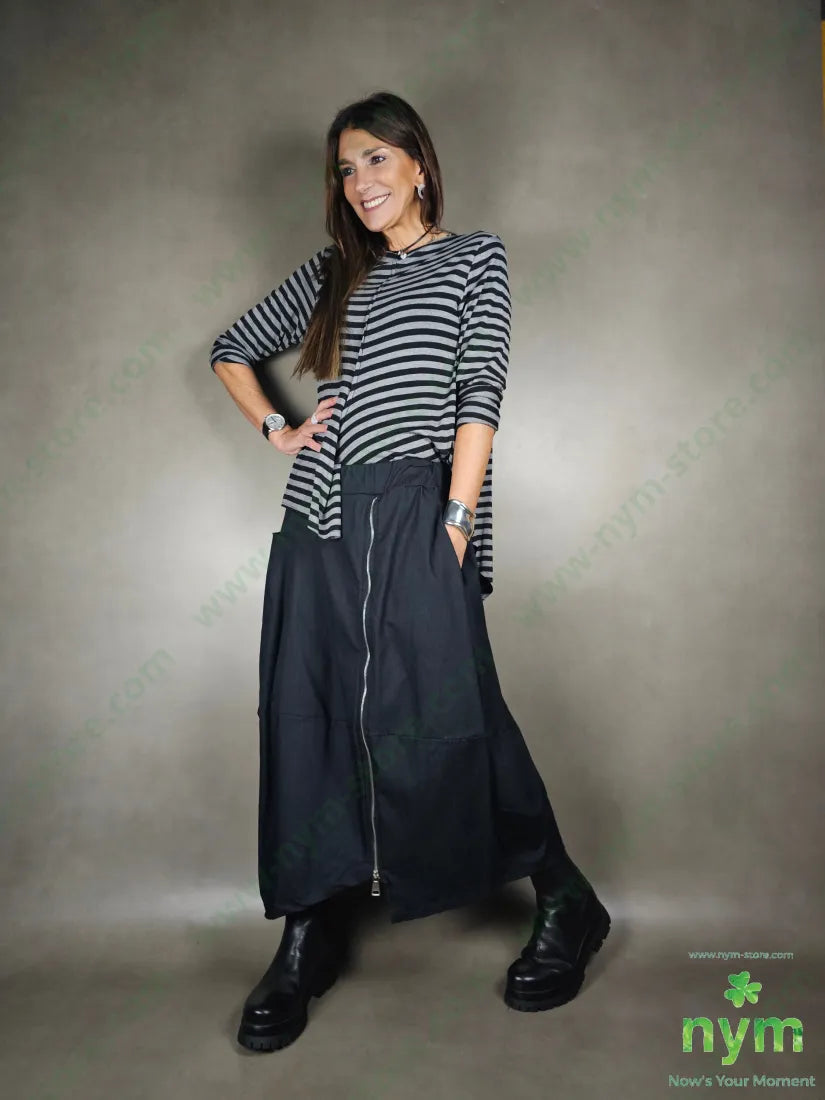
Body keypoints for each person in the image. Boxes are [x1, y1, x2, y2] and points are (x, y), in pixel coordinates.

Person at [210, 90, 610, 1053]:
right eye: (346, 170)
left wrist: (455, 522)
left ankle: (565, 897)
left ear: (418, 165)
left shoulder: (476, 258)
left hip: (421, 508)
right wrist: (280, 428)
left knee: (451, 709)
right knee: (307, 707)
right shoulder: (333, 272)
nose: (361, 183)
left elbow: (479, 392)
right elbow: (229, 350)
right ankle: (309, 926)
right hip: (321, 514)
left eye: (377, 160)